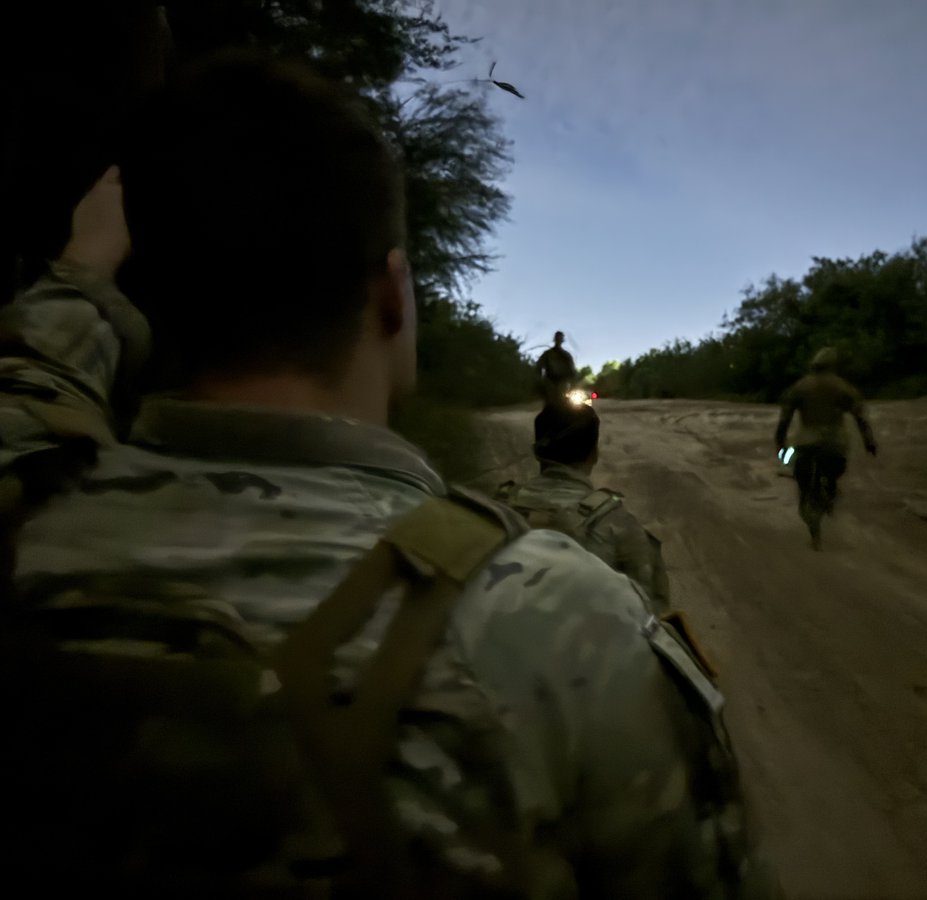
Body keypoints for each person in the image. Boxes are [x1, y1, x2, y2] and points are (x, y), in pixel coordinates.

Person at [0, 54, 776, 897]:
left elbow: (30, 392)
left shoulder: (28, 510)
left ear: (145, 297)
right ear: (392, 296)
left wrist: (79, 278)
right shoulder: (557, 618)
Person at [496, 403, 671, 615]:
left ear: (536, 452)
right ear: (593, 454)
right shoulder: (615, 522)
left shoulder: (498, 508)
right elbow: (652, 614)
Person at [774, 347, 878, 549]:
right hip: (835, 444)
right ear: (833, 365)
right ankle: (829, 493)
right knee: (833, 475)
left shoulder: (801, 387)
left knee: (804, 490)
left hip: (805, 444)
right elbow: (860, 417)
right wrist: (869, 441)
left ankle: (815, 533)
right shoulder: (842, 387)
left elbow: (784, 419)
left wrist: (780, 443)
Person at [535, 330, 576, 405]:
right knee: (550, 404)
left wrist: (571, 383)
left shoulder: (566, 355)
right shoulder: (548, 354)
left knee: (563, 404)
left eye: (560, 339)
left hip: (562, 383)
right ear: (555, 340)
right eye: (558, 338)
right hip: (550, 382)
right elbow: (539, 366)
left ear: (562, 340)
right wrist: (540, 381)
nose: (558, 340)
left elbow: (572, 371)